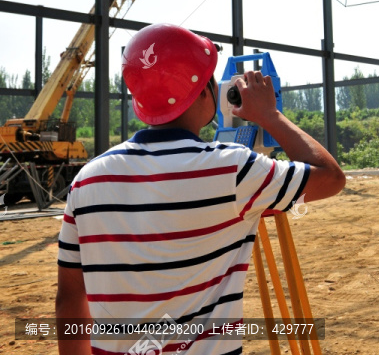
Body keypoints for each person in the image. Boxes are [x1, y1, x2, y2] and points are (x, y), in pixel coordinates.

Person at [55, 23, 345, 355]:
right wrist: (270, 115)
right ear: (204, 92)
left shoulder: (88, 178)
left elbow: (69, 299)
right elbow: (331, 177)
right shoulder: (234, 170)